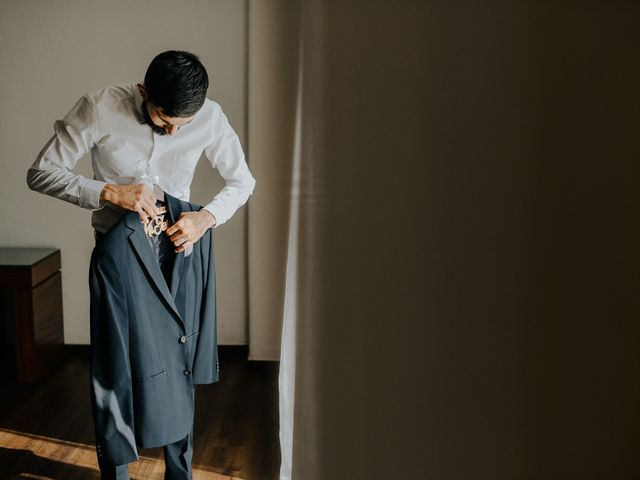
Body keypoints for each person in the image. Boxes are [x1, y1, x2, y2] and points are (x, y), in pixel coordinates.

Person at [26, 50, 255, 479]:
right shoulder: (98, 107)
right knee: (116, 365)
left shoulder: (211, 116)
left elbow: (243, 181)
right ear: (143, 91)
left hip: (179, 247)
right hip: (119, 254)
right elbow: (40, 172)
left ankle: (179, 473)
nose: (170, 131)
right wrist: (109, 191)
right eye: (163, 118)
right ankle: (117, 473)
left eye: (181, 127)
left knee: (180, 366)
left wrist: (206, 218)